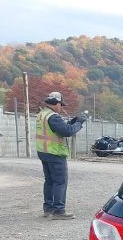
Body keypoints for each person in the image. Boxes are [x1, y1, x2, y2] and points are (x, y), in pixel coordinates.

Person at [36, 91, 86, 219]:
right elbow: (67, 132)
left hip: (44, 152)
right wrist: (79, 123)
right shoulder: (53, 116)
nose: (61, 107)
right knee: (60, 182)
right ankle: (59, 211)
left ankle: (48, 208)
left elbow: (57, 130)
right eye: (61, 105)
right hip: (55, 153)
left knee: (49, 181)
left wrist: (71, 122)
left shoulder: (42, 114)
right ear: (56, 103)